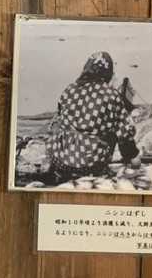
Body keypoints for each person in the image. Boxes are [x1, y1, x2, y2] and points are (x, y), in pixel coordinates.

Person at [45, 51, 140, 184]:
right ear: (107, 72)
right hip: (90, 164)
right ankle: (98, 169)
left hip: (59, 160)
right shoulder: (111, 94)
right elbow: (124, 133)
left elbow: (59, 121)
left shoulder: (69, 90)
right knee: (113, 126)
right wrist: (133, 157)